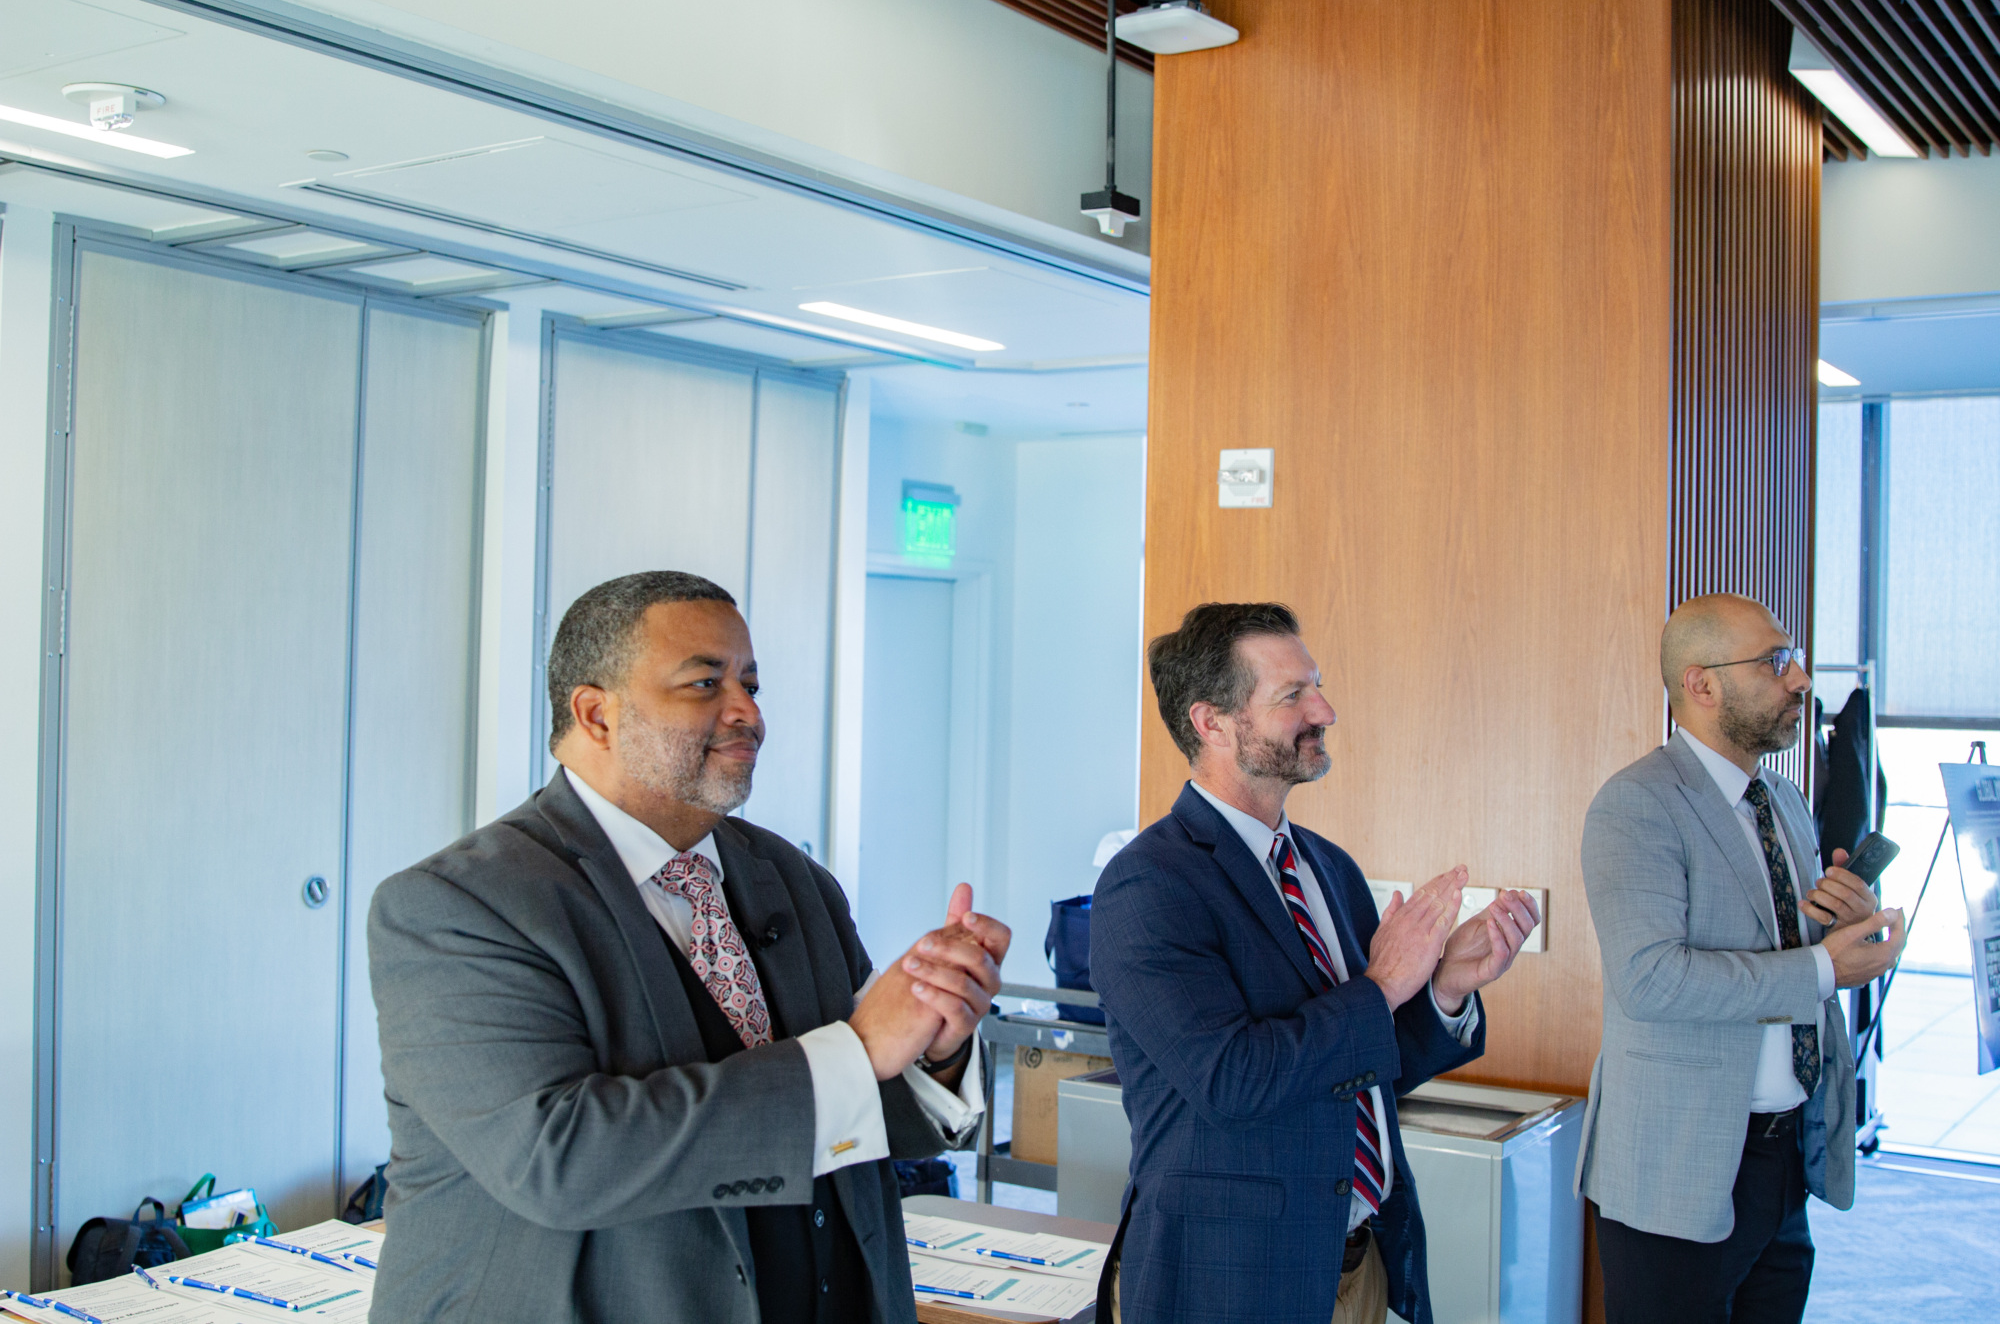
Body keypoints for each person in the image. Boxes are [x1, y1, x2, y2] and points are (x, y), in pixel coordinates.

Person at [367, 571, 1012, 1323]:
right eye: (705, 683)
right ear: (596, 714)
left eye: (750, 682)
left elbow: (855, 1116)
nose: (748, 713)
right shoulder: (458, 907)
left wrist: (936, 1041)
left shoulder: (792, 878)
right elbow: (560, 1157)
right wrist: (862, 1048)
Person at [1090, 602, 1542, 1324]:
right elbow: (1233, 1078)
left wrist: (1447, 987)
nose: (1325, 709)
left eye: (1318, 686)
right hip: (1227, 1287)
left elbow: (1363, 1066)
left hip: (1360, 1270)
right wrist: (1384, 983)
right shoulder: (1149, 885)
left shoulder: (1328, 868)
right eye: (1293, 695)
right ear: (1211, 723)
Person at [1578, 593, 1906, 1324]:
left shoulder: (1782, 798)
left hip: (1784, 1159)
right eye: (1776, 661)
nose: (1801, 681)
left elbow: (1778, 947)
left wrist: (1839, 927)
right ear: (1702, 684)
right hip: (1678, 1169)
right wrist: (1826, 970)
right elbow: (1652, 978)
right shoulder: (1636, 805)